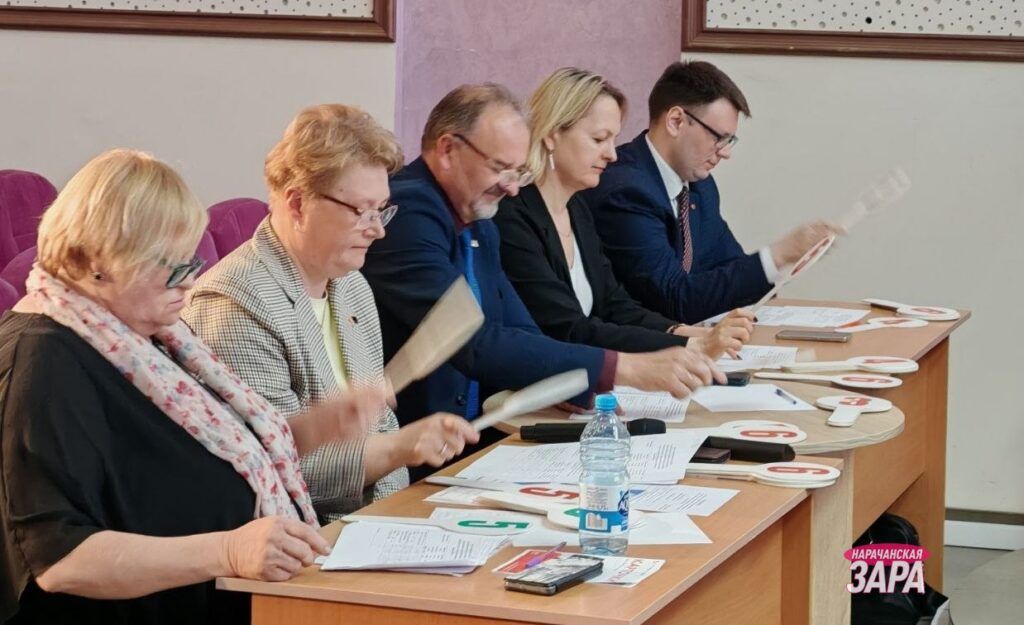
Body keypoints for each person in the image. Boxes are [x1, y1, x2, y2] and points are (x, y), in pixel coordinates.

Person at [0, 149, 385, 624]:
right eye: (173, 268)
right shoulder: (43, 361)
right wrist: (228, 551)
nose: (189, 284)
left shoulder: (148, 335)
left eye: (192, 263)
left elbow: (191, 466)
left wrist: (313, 428)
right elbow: (60, 560)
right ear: (97, 261)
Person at [361, 83, 724, 476]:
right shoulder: (410, 211)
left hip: (471, 446)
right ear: (448, 149)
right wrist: (623, 368)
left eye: (517, 171)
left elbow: (518, 326)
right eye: (500, 168)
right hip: (408, 458)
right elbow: (468, 341)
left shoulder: (478, 215)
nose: (511, 186)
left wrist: (562, 380)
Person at [183, 105, 478, 519]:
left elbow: (380, 425)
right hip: (294, 536)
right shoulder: (234, 304)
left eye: (382, 209)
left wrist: (400, 519)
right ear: (298, 204)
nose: (378, 229)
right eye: (361, 211)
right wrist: (399, 449)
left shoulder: (351, 286)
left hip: (371, 525)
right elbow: (271, 468)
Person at [494, 67, 753, 357]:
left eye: (613, 140)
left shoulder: (576, 208)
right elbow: (567, 328)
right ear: (553, 135)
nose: (612, 154)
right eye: (599, 139)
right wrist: (691, 345)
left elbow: (614, 305)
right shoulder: (512, 216)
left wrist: (684, 332)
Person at [581, 60, 840, 323]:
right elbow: (673, 299)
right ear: (676, 121)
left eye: (729, 141)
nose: (725, 153)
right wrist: (779, 254)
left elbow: (727, 266)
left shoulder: (700, 186)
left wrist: (786, 261)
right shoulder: (624, 191)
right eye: (719, 138)